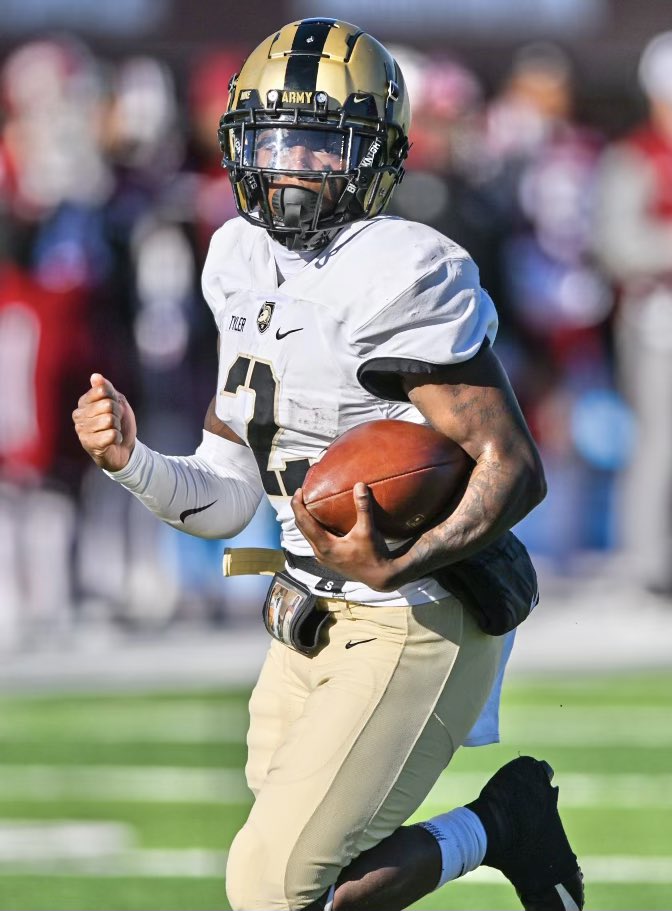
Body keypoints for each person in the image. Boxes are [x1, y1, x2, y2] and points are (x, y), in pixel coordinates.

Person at [72, 17, 584, 911]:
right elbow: (231, 496)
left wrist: (399, 558)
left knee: (271, 889)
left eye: (317, 145)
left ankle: (500, 826)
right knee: (308, 888)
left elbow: (513, 466)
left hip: (414, 612)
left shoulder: (399, 270)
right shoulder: (235, 259)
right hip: (303, 614)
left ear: (372, 155)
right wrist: (131, 462)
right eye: (273, 141)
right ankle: (506, 823)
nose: (291, 165)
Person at [594, 30, 672, 598]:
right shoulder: (634, 157)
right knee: (659, 443)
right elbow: (619, 245)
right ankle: (650, 563)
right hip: (658, 319)